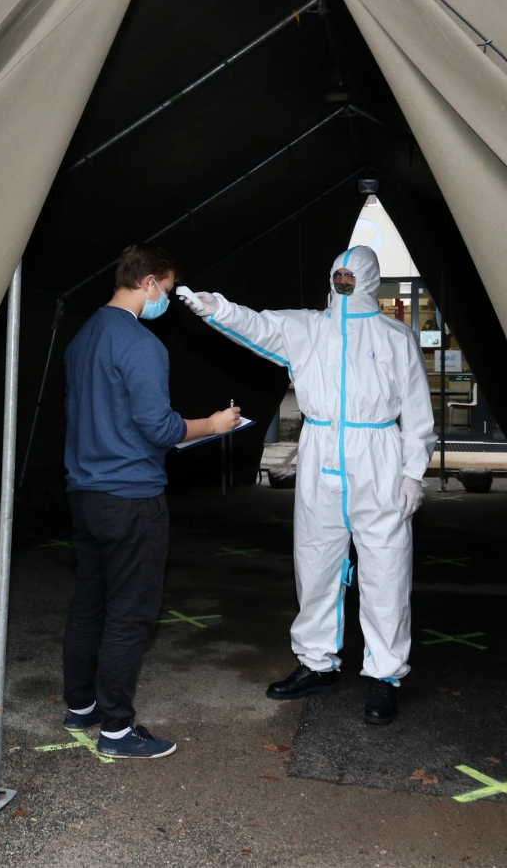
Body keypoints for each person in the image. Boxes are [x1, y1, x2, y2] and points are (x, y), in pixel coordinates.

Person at [179, 245, 435, 725]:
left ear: (368, 279)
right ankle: (317, 662)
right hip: (320, 452)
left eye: (351, 276)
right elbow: (260, 326)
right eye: (338, 274)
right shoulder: (309, 328)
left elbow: (419, 410)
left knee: (386, 568)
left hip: (377, 454)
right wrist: (219, 310)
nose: (343, 282)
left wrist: (412, 472)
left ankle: (385, 675)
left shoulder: (395, 337)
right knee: (315, 560)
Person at [62, 244, 242, 759]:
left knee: (89, 604)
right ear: (148, 283)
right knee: (129, 614)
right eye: (167, 288)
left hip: (85, 494)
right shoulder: (141, 344)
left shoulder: (82, 337)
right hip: (131, 498)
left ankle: (81, 707)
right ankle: (117, 732)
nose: (167, 298)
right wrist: (214, 424)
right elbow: (160, 428)